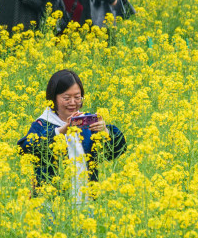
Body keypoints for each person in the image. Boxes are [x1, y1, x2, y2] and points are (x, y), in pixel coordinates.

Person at [17, 69, 127, 201]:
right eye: (66, 98)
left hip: (86, 200)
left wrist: (105, 132)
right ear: (53, 99)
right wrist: (61, 131)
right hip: (51, 202)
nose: (73, 103)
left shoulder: (87, 124)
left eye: (77, 97)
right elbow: (26, 149)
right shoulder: (42, 124)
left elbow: (115, 151)